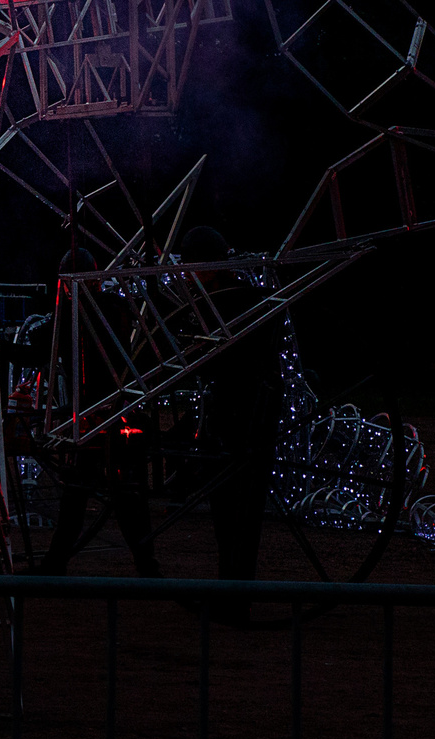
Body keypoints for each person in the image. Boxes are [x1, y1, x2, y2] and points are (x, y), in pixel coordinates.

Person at [30, 245, 162, 579]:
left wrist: (7, 348)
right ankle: (142, 565)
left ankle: (60, 563)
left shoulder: (84, 314)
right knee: (99, 496)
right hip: (111, 414)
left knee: (98, 495)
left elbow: (40, 346)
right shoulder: (110, 309)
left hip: (102, 418)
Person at [174, 226, 285, 604]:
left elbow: (220, 361)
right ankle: (231, 589)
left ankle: (235, 596)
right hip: (238, 413)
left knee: (239, 511)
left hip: (247, 415)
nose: (190, 274)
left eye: (195, 266)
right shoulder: (228, 297)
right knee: (229, 513)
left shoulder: (233, 299)